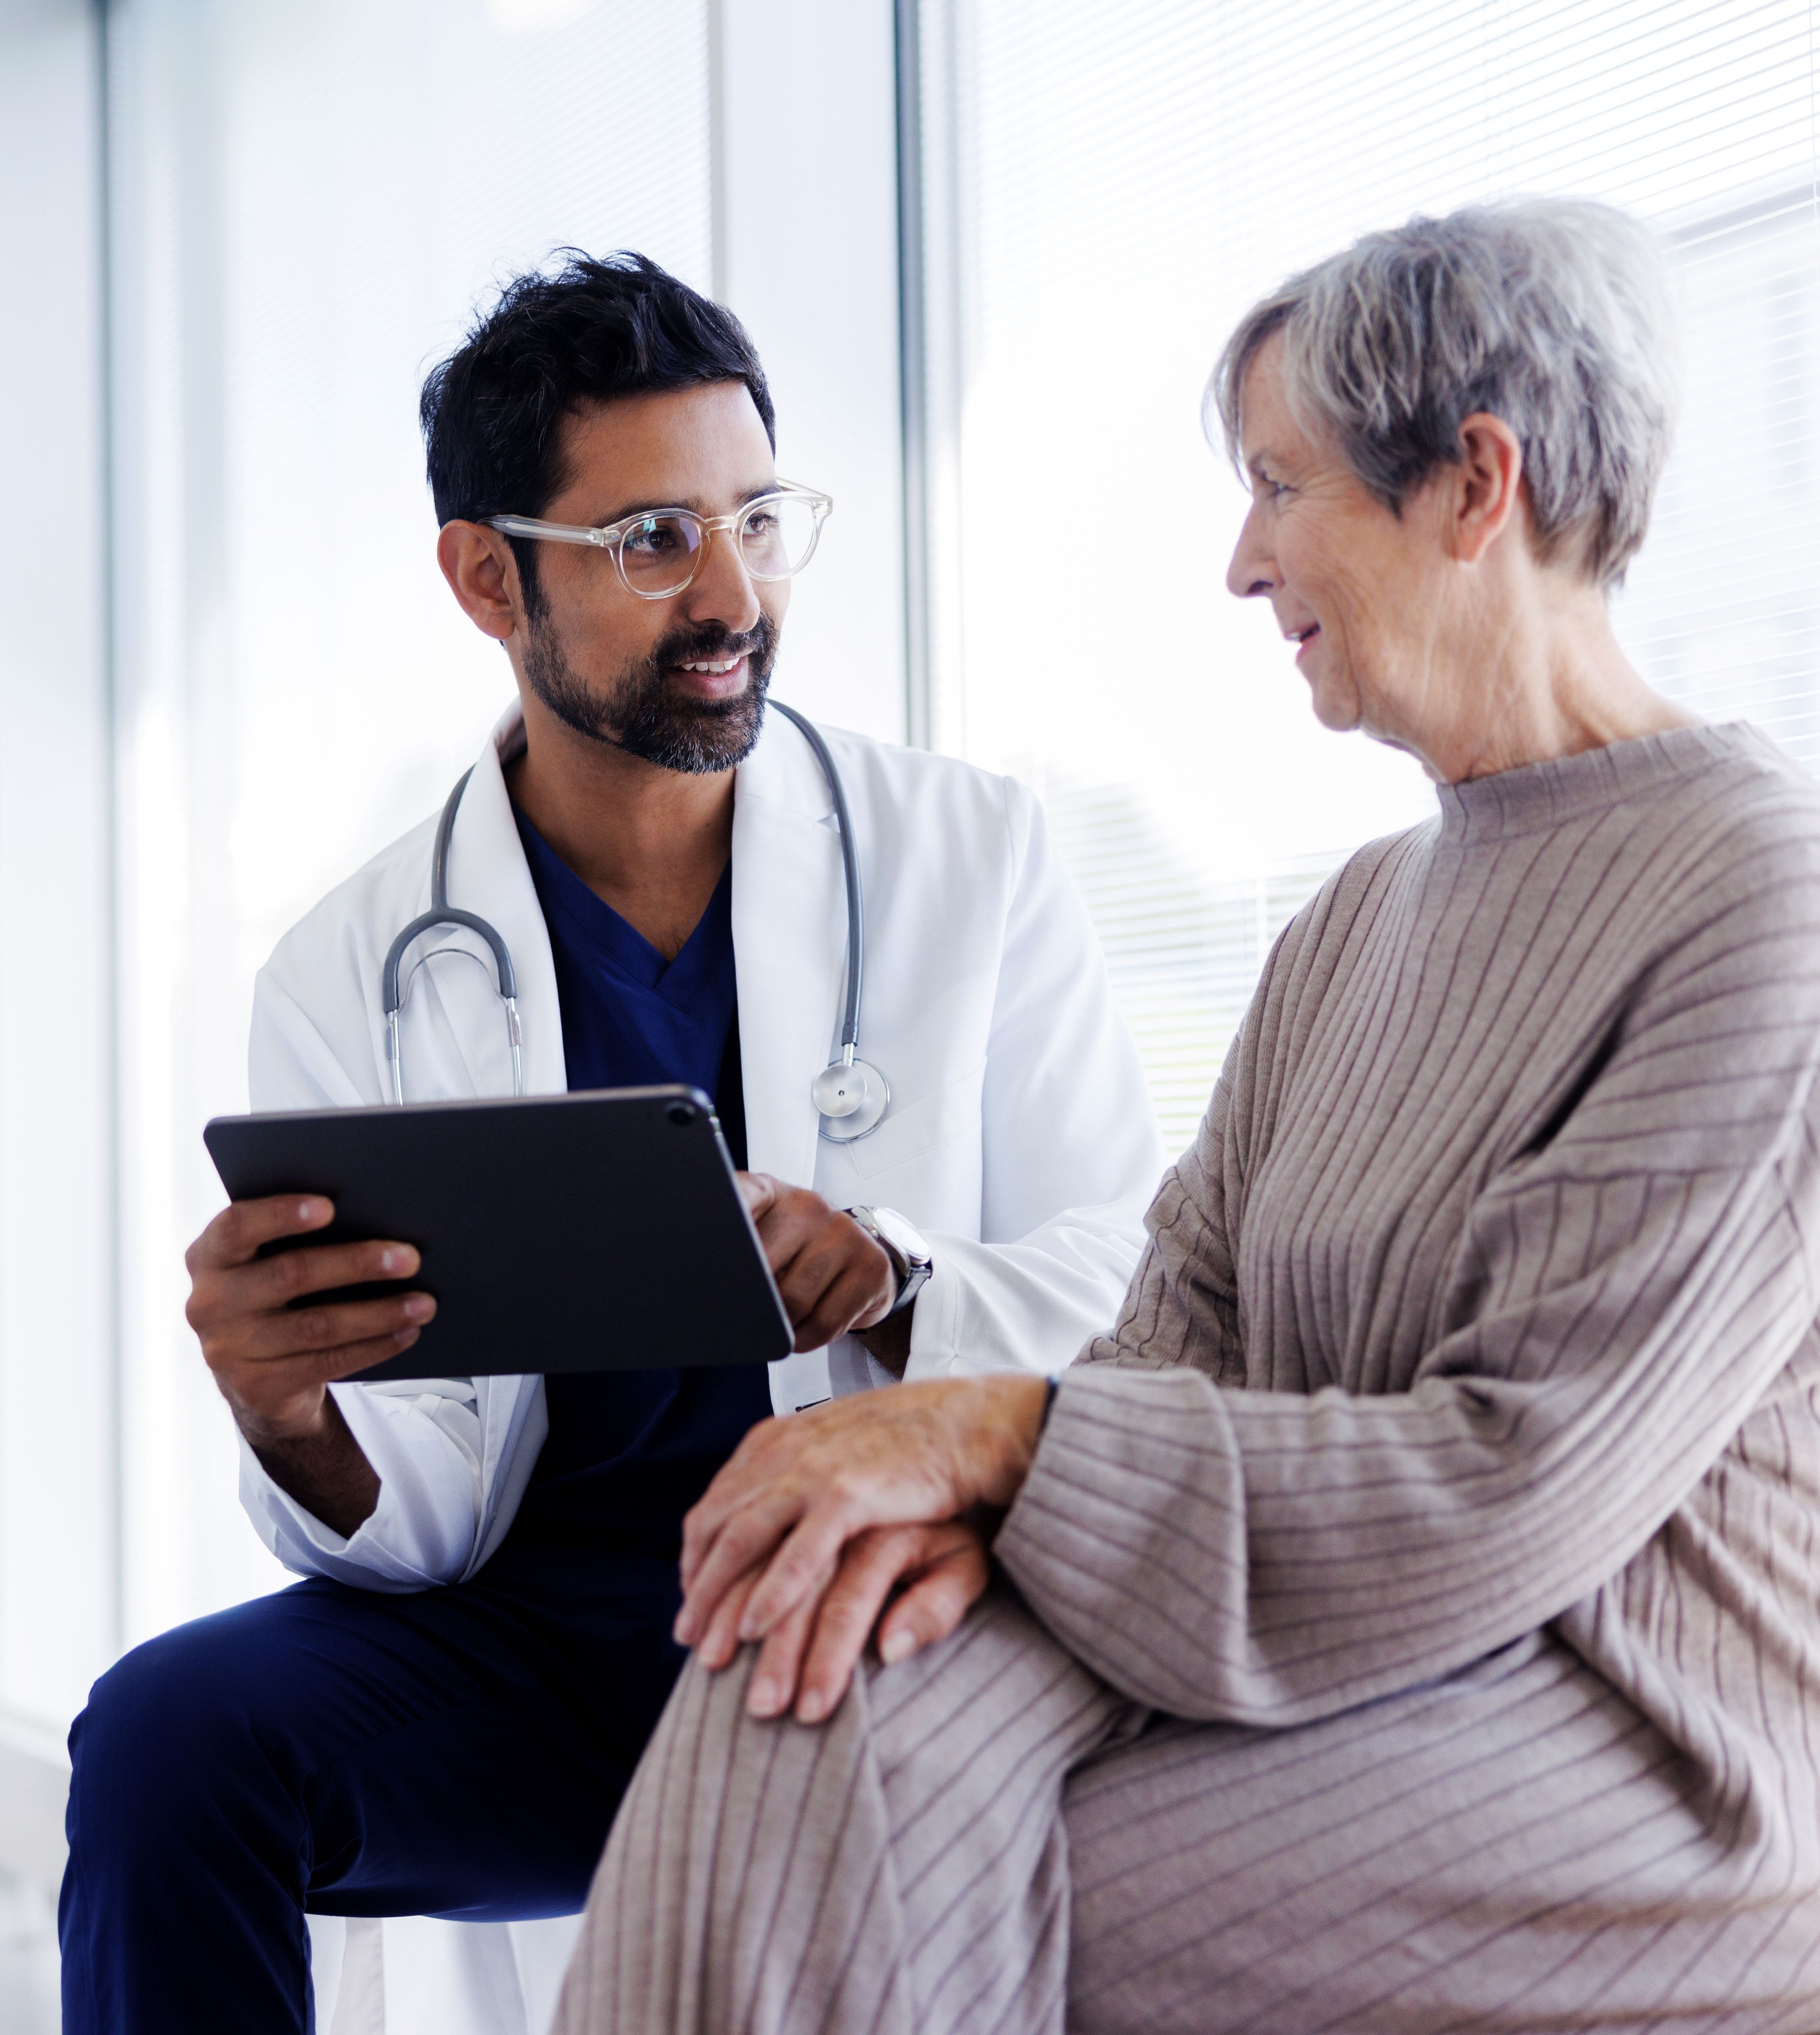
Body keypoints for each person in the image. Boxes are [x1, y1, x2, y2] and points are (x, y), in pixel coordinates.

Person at [552, 201, 1820, 2035]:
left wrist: (996, 1446)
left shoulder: (1772, 896)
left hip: (1690, 1751)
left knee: (931, 1882)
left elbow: (1512, 1477)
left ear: (1476, 485)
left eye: (1279, 483)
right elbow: (1178, 1339)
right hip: (1367, 1655)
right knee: (797, 1681)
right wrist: (957, 1501)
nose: (1242, 562)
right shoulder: (1354, 926)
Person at [58, 252, 1165, 2034]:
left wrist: (901, 1273)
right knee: (168, 1746)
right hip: (531, 1654)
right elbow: (409, 1524)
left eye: (757, 518)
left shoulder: (972, 857)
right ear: (490, 578)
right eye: (652, 539)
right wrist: (290, 1417)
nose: (732, 590)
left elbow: (1135, 1279)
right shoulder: (352, 971)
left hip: (860, 1595)